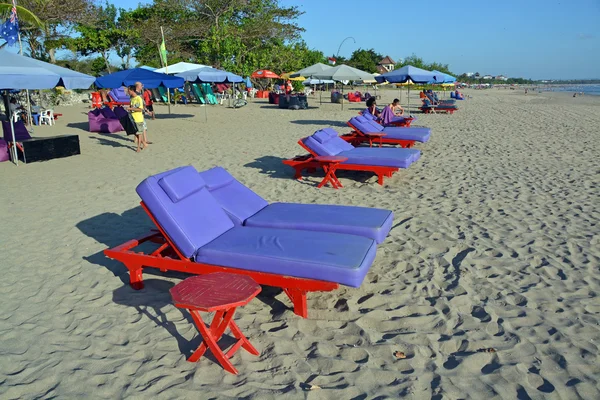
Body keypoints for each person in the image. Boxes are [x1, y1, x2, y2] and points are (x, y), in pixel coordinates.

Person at [126, 85, 146, 153]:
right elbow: (131, 107)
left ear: (132, 90)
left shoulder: (138, 98)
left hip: (138, 118)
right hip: (132, 118)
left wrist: (130, 108)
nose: (127, 92)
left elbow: (140, 109)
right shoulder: (132, 99)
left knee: (139, 133)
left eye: (128, 90)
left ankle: (138, 147)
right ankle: (143, 143)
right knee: (135, 132)